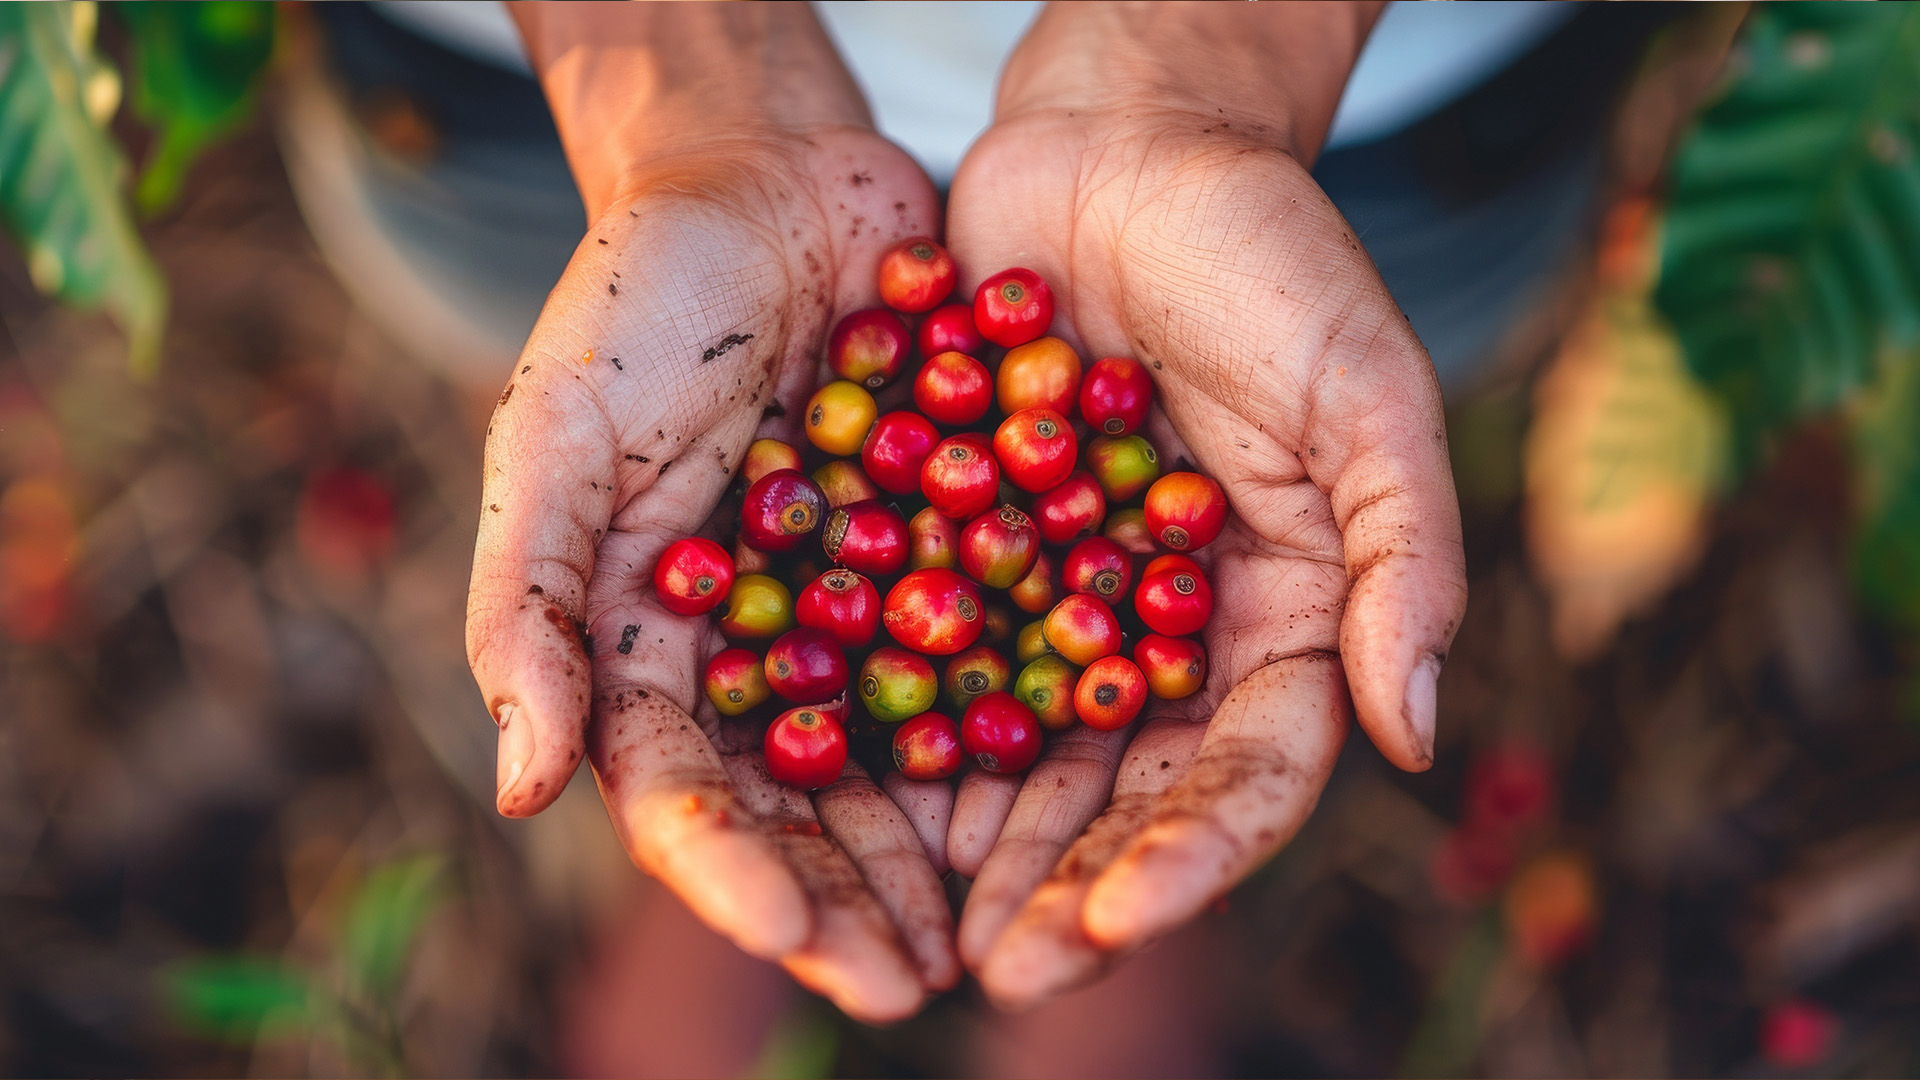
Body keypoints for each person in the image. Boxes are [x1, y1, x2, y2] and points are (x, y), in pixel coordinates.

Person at [448, 1, 1649, 1022]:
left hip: (1380, 98)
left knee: (1154, 786)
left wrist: (1212, 55)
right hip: (543, 83)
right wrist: (678, 79)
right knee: (622, 442)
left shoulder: (1012, 513)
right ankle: (753, 898)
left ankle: (1128, 918)